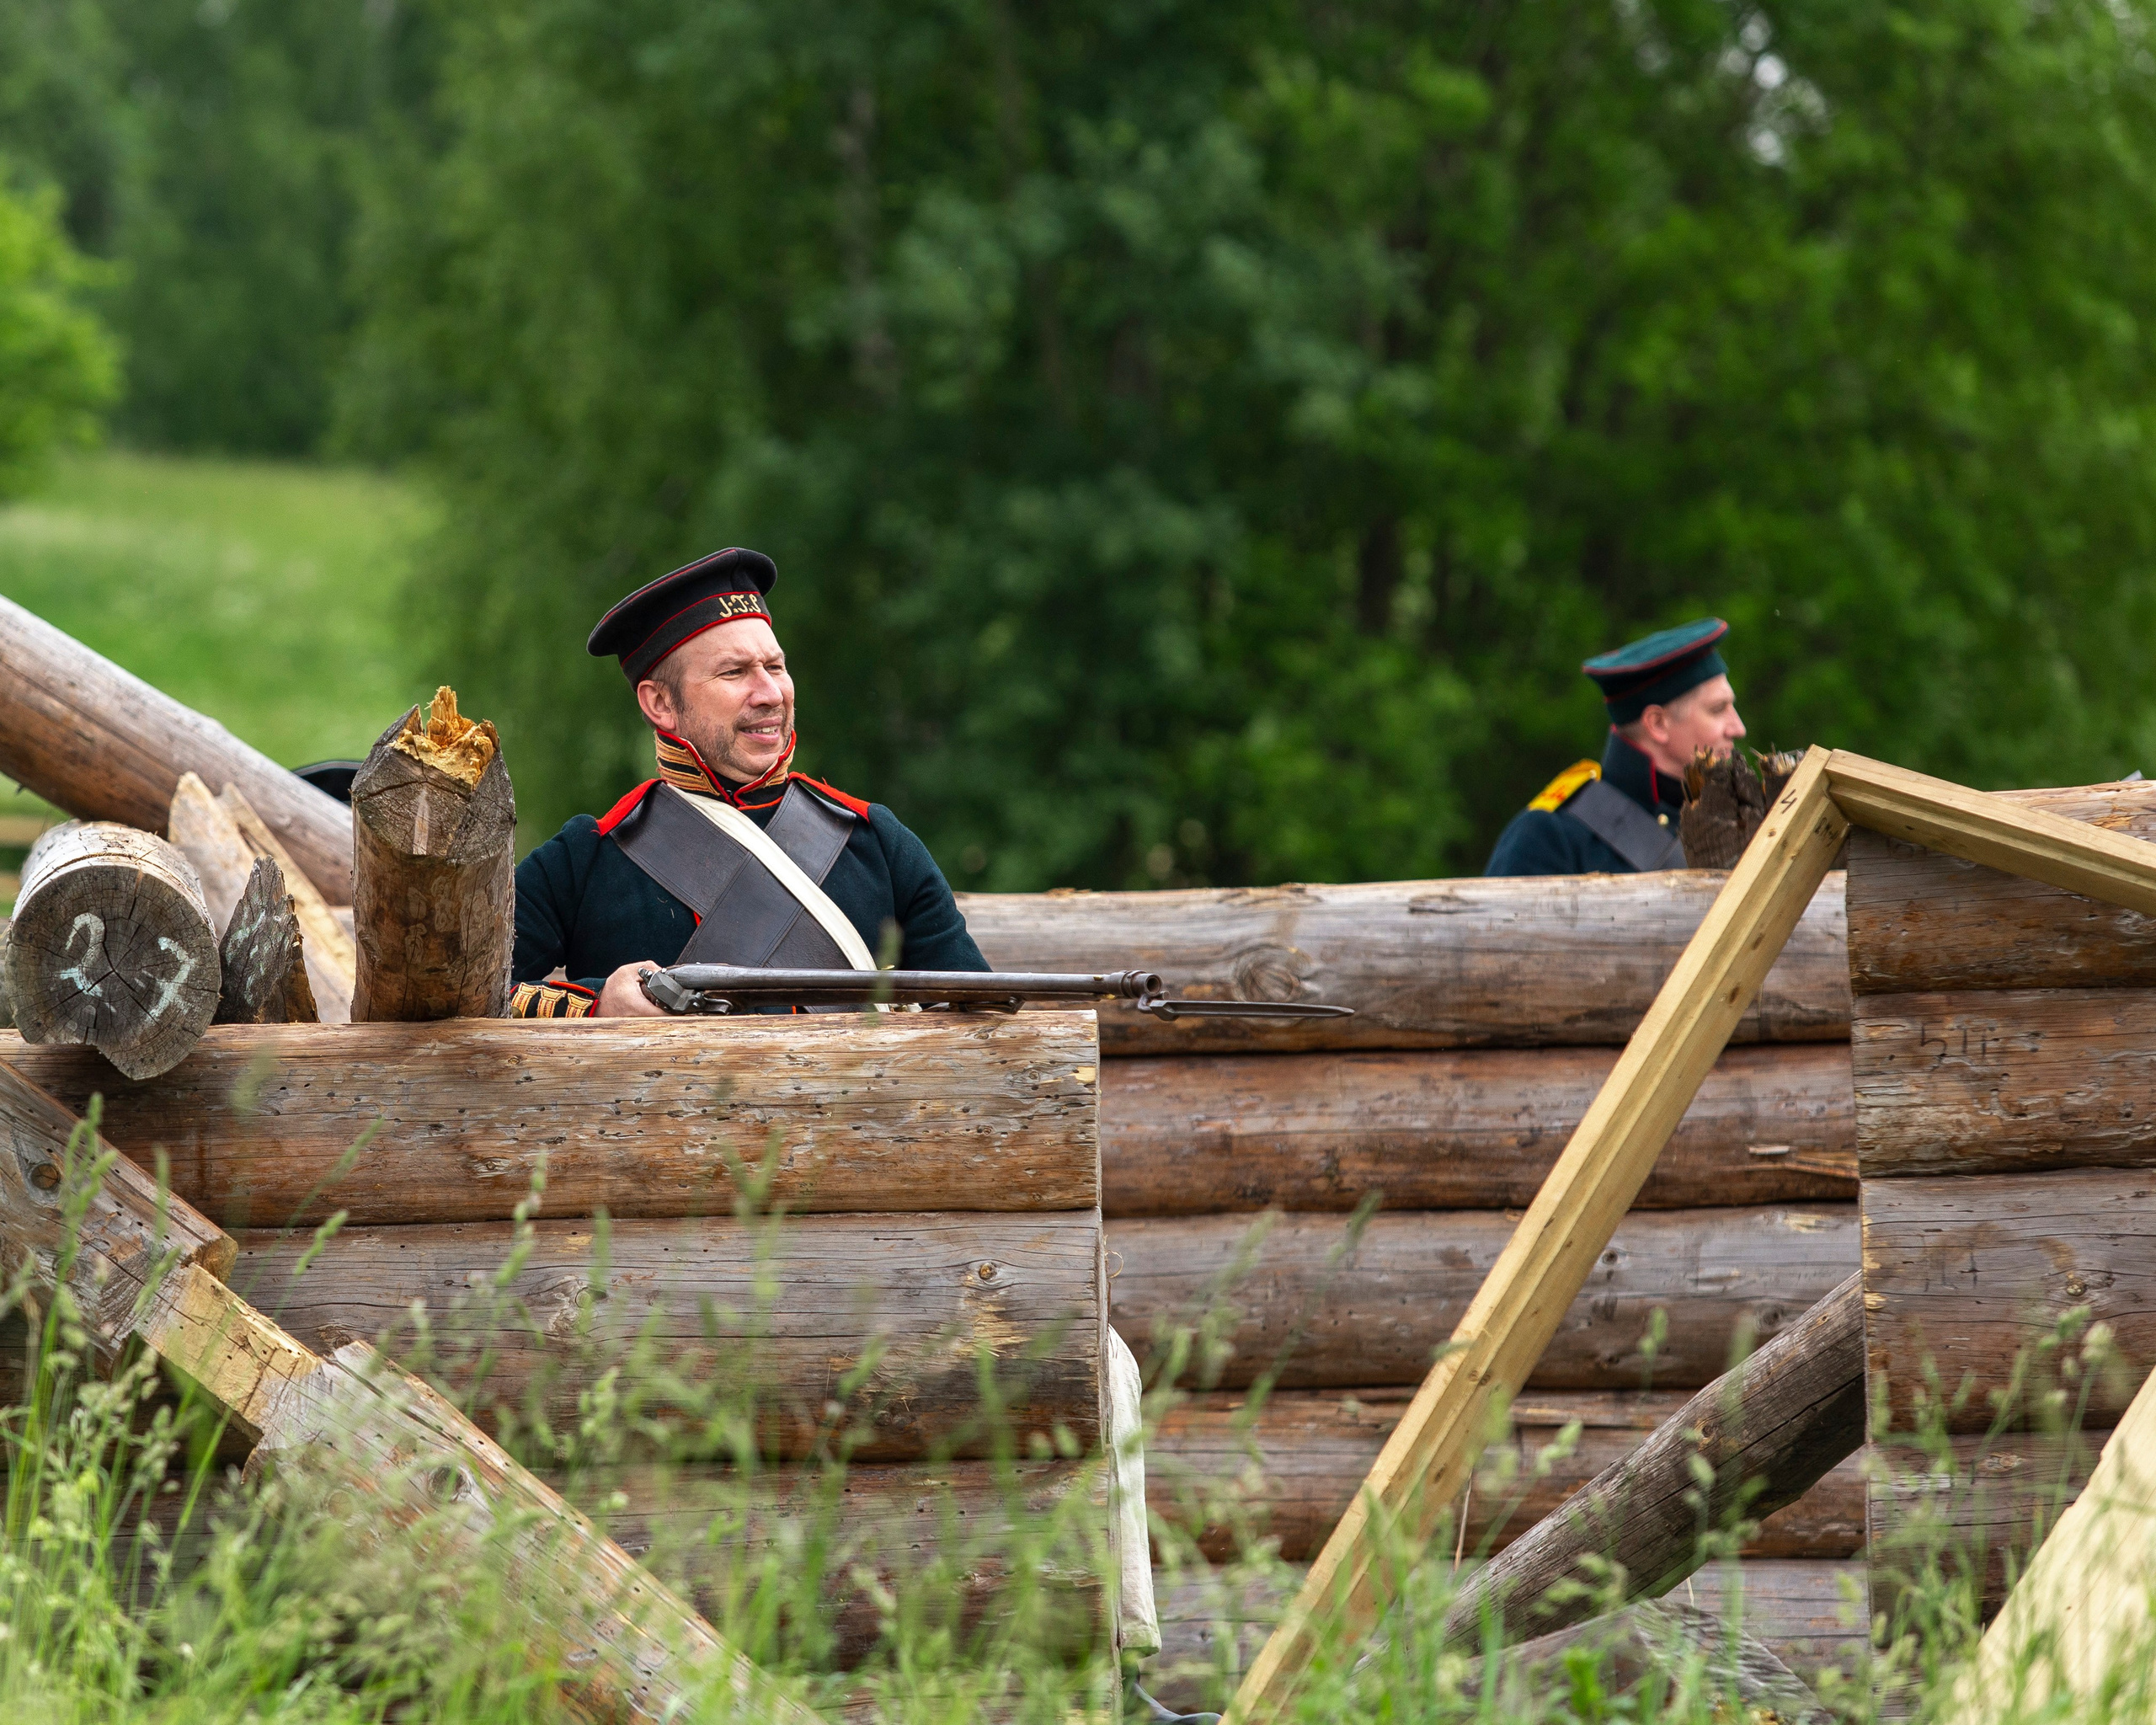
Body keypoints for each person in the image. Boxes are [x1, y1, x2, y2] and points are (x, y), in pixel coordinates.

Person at [508, 546, 989, 1017]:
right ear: (660, 704)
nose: (770, 693)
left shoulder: (875, 839)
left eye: (775, 667)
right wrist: (598, 1005)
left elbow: (977, 1013)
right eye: (734, 672)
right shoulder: (587, 855)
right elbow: (470, 993)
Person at [1485, 617, 1748, 878]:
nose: (1738, 728)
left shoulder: (1740, 821)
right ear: (1657, 724)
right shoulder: (1550, 838)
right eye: (1717, 710)